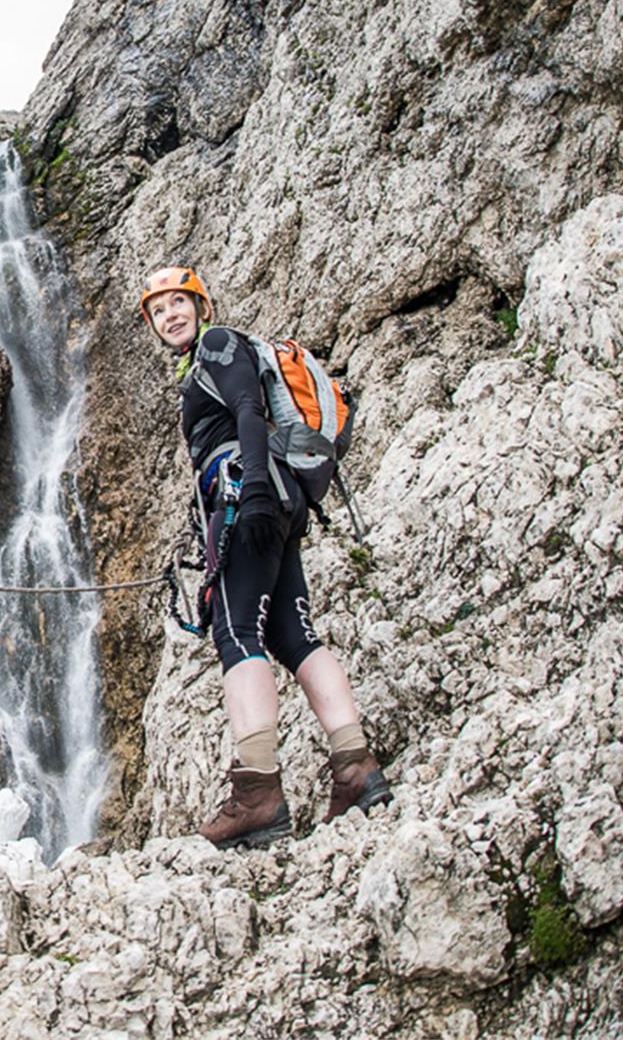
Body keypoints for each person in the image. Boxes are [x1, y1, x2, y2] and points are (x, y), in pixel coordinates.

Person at [140, 265, 392, 848]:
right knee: (292, 635)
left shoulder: (220, 346)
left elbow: (250, 410)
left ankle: (258, 793)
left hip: (247, 500)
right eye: (159, 311)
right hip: (271, 502)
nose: (171, 315)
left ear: (202, 306)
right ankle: (355, 766)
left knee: (235, 632)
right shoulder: (203, 362)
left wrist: (251, 487)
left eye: (180, 302)